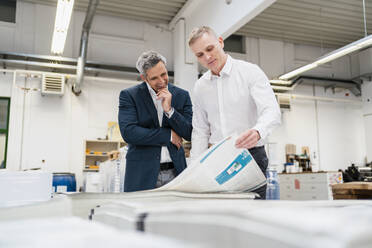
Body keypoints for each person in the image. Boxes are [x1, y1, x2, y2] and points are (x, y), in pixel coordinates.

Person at [188, 26, 281, 199]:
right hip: (217, 159)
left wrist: (258, 131)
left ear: (221, 42)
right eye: (200, 55)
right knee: (222, 216)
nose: (207, 57)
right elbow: (200, 130)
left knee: (252, 215)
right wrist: (195, 169)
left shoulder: (249, 72)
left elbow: (272, 110)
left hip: (251, 156)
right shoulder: (200, 87)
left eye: (210, 48)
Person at [118, 51, 193, 192]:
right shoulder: (129, 96)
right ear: (144, 78)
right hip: (141, 175)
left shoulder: (182, 95)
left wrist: (170, 111)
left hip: (176, 172)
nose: (162, 81)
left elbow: (189, 132)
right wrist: (167, 135)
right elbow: (129, 132)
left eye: (164, 74)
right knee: (141, 214)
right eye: (154, 78)